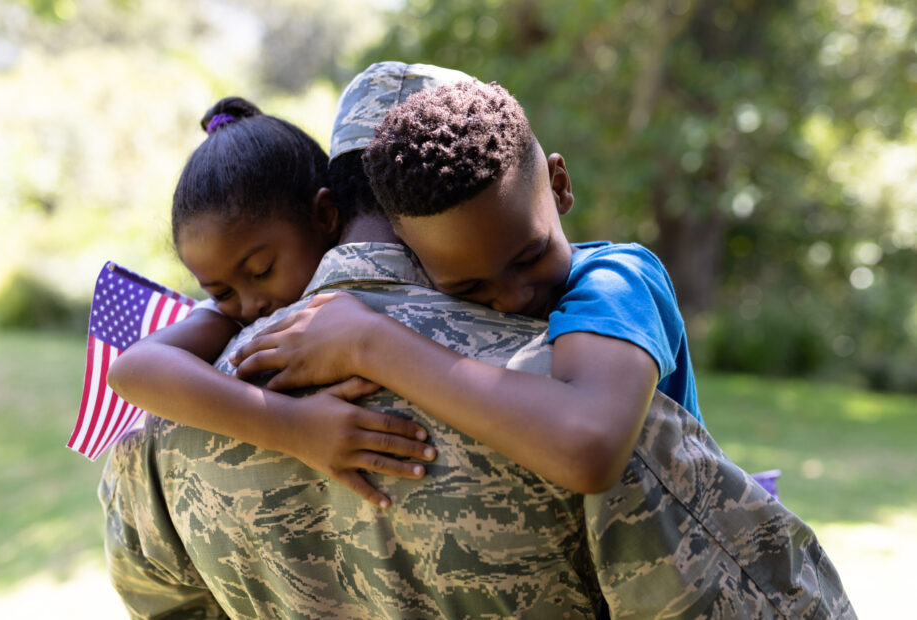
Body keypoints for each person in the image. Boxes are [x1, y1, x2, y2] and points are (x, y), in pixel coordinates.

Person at [101, 62, 854, 618]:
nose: (514, 293)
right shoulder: (557, 397)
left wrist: (366, 346)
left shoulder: (170, 429)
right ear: (414, 224)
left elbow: (161, 601)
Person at [228, 79, 698, 495]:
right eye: (468, 286)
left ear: (558, 185)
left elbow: (590, 451)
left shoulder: (620, 279)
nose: (514, 297)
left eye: (530, 256)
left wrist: (366, 342)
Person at [106, 96, 436, 508]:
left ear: (325, 215)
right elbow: (130, 369)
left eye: (261, 270)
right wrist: (292, 426)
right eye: (221, 291)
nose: (250, 305)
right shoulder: (230, 321)